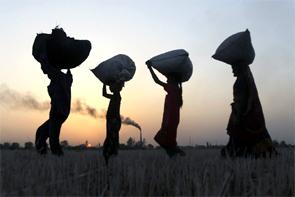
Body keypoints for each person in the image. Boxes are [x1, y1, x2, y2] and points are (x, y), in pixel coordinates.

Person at [221, 63, 277, 158]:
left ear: (239, 67)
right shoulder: (244, 79)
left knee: (239, 138)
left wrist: (238, 114)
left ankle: (243, 153)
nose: (232, 70)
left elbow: (241, 100)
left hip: (242, 112)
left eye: (234, 67)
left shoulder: (241, 80)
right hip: (245, 112)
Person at [35, 53, 72, 156]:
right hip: (58, 112)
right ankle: (43, 155)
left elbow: (49, 68)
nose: (48, 74)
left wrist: (43, 58)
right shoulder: (62, 79)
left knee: (53, 139)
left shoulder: (60, 78)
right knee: (41, 131)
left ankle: (58, 159)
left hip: (58, 112)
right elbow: (69, 75)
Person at [146, 61, 185, 158]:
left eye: (168, 78)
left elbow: (157, 81)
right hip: (173, 120)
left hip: (170, 120)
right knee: (168, 140)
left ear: (173, 80)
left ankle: (175, 151)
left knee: (162, 139)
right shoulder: (176, 89)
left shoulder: (172, 88)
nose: (167, 80)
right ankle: (174, 153)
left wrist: (150, 68)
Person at [102, 82, 124, 164]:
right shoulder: (115, 96)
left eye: (112, 86)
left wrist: (104, 83)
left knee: (111, 138)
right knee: (111, 138)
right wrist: (104, 83)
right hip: (113, 120)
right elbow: (104, 94)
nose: (111, 87)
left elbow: (104, 94)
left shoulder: (116, 96)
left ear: (116, 88)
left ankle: (108, 157)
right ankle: (109, 158)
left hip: (113, 120)